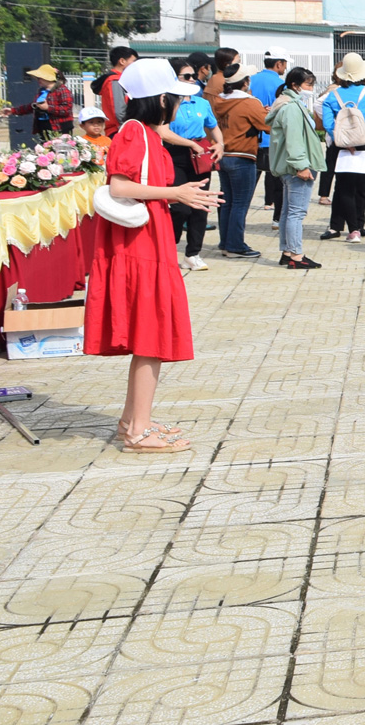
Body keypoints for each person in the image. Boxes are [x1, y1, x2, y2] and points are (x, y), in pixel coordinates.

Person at [86, 59, 222, 453]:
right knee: (151, 336)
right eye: (176, 98)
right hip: (141, 246)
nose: (180, 106)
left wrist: (183, 187)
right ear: (161, 98)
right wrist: (178, 193)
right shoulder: (135, 133)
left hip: (150, 241)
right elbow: (121, 186)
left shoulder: (142, 130)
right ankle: (137, 431)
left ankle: (133, 419)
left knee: (152, 334)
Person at [159, 59, 221, 271]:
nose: (192, 79)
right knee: (179, 206)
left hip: (200, 156)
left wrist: (220, 144)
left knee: (200, 207)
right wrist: (189, 144)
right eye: (186, 76)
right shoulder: (166, 101)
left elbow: (213, 127)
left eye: (193, 75)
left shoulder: (201, 102)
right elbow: (163, 131)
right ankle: (169, 245)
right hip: (174, 154)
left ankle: (193, 254)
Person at [320, 55, 365, 242]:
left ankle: (351, 230)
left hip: (341, 147)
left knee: (344, 189)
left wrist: (343, 139)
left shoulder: (332, 96)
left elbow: (327, 123)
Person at [267, 66, 324, 270]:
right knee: (296, 213)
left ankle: (288, 251)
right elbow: (293, 140)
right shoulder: (291, 107)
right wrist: (301, 165)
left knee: (288, 211)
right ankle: (296, 255)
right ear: (295, 85)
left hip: (289, 166)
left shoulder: (290, 104)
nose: (311, 88)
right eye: (308, 84)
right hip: (296, 168)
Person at [209, 63, 269, 260]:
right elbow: (266, 126)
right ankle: (235, 245)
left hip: (223, 154)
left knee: (227, 202)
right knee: (240, 204)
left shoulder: (219, 100)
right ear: (245, 82)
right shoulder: (249, 103)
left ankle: (226, 242)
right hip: (242, 156)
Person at [250, 48, 289, 217]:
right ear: (278, 63)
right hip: (272, 138)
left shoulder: (251, 80)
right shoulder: (281, 85)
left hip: (252, 139)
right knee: (279, 182)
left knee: (249, 183)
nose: (286, 68)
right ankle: (276, 219)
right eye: (285, 64)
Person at [9, 64, 73, 136]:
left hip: (59, 128)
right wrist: (12, 111)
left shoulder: (62, 90)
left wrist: (48, 108)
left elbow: (66, 110)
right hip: (43, 126)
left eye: (40, 77)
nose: (38, 80)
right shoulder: (42, 91)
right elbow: (32, 106)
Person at [98, 46, 137, 132]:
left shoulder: (120, 79)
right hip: (118, 130)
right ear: (122, 61)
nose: (135, 65)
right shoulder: (116, 80)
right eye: (133, 61)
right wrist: (128, 129)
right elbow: (119, 111)